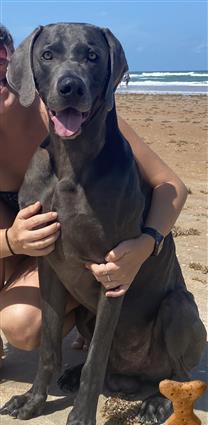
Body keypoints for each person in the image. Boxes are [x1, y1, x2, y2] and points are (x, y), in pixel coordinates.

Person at [0, 25, 188, 365]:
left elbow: (170, 185)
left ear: (18, 65)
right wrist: (12, 241)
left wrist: (146, 245)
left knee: (22, 325)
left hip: (74, 245)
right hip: (18, 245)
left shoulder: (63, 108)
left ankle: (88, 321)